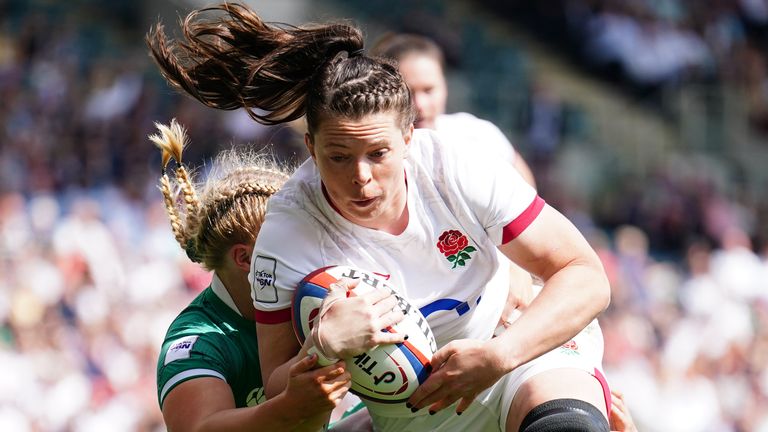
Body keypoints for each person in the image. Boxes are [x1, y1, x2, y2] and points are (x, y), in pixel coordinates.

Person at [147, 4, 611, 432]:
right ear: (310, 148)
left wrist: (499, 354)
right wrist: (323, 348)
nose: (361, 178)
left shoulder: (459, 163)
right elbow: (279, 387)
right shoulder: (288, 235)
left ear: (409, 138)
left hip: (513, 349)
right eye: (339, 156)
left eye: (378, 153)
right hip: (416, 412)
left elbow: (585, 275)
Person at [150, 119, 401, 431]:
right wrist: (291, 404)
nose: (303, 257)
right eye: (285, 246)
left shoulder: (310, 299)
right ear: (244, 258)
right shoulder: (198, 341)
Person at [370, 32, 536, 188]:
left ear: (445, 85)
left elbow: (526, 188)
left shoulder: (477, 133)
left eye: (429, 90)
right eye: (408, 93)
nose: (420, 104)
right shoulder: (371, 156)